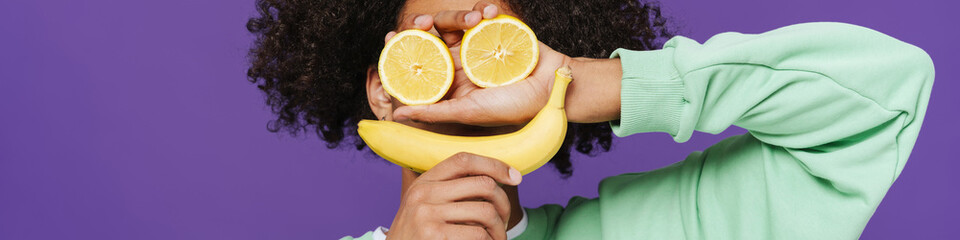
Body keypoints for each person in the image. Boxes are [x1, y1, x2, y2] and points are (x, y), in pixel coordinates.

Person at [246, 0, 934, 239]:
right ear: (380, 89)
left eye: (496, 47)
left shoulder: (676, 227)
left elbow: (884, 93)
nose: (463, 72)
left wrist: (581, 84)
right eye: (430, 44)